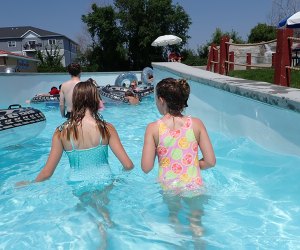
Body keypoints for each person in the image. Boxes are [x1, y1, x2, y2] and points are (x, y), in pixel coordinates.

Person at [141, 77, 216, 237]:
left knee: (174, 219)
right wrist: (193, 164)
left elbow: (146, 167)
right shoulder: (196, 124)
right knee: (196, 223)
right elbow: (210, 161)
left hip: (169, 186)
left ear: (161, 100)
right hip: (193, 184)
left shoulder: (153, 128)